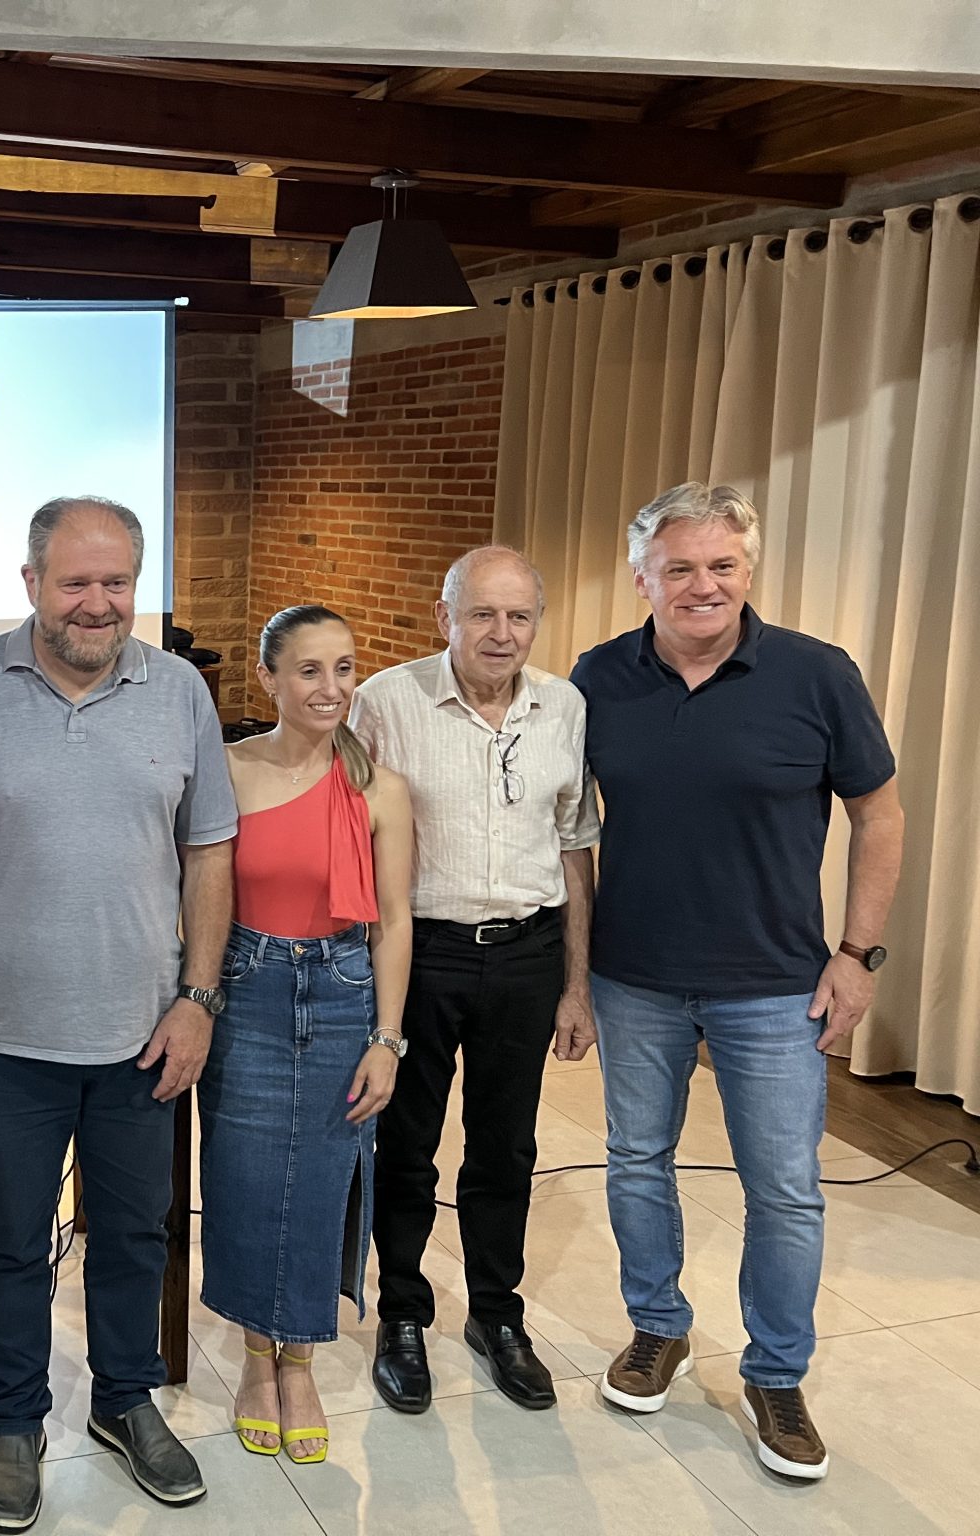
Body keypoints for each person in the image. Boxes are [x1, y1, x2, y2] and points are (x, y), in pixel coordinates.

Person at [0, 496, 237, 1532]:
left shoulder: (179, 690)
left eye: (116, 583)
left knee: (135, 1232)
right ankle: (13, 1420)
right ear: (30, 584)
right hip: (7, 1034)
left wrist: (198, 999)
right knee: (10, 1238)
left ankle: (123, 1399)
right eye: (73, 582)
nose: (95, 603)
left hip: (143, 1034)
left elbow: (209, 852)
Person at [571, 482, 903, 1481]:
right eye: (678, 568)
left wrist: (856, 954)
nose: (701, 585)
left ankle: (775, 1373)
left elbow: (878, 816)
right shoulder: (598, 676)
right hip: (634, 976)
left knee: (785, 1190)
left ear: (747, 570)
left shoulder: (816, 674)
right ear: (642, 578)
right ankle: (657, 1328)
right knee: (636, 1160)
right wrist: (574, 973)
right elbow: (568, 829)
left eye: (720, 565)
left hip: (774, 983)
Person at [350, 547, 600, 1415]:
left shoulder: (565, 706)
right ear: (444, 617)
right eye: (482, 614)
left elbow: (575, 849)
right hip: (421, 952)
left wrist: (576, 985)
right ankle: (403, 1315)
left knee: (506, 1147)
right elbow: (348, 840)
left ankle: (497, 1315)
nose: (501, 633)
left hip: (529, 954)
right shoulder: (386, 702)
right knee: (407, 1145)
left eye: (518, 616)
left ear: (537, 622)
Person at [200, 605, 413, 1465]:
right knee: (246, 1176)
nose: (331, 688)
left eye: (345, 669)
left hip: (343, 992)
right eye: (310, 670)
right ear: (270, 679)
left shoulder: (379, 789)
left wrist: (388, 1038)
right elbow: (198, 896)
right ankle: (258, 1358)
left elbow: (393, 921)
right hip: (247, 989)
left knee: (325, 1180)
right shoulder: (227, 771)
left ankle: (302, 1363)